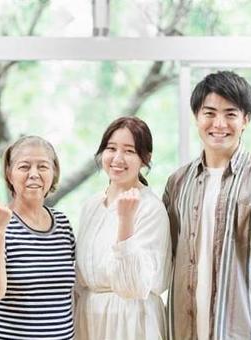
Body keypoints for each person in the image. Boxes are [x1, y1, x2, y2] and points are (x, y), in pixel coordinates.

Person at [163, 71, 251, 340]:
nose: (219, 123)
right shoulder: (178, 182)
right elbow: (166, 256)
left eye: (231, 114)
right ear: (196, 117)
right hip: (184, 330)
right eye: (210, 113)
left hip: (244, 332)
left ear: (245, 120)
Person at [75, 116, 172, 340]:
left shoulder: (150, 207)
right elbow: (81, 278)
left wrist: (125, 220)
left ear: (145, 158)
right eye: (111, 148)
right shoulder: (91, 205)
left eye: (129, 151)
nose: (117, 158)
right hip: (90, 319)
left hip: (131, 320)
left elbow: (133, 286)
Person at [0, 136, 76, 340]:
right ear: (10, 174)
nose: (34, 174)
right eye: (24, 166)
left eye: (43, 166)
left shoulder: (63, 224)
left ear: (53, 173)